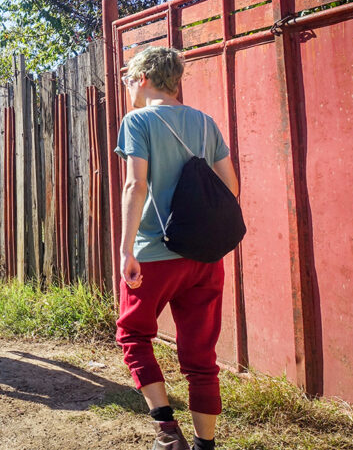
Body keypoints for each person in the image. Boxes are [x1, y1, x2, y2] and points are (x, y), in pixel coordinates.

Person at [113, 47, 240, 450]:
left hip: (154, 253)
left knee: (133, 334)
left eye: (129, 78)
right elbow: (230, 189)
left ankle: (168, 433)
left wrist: (125, 249)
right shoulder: (205, 122)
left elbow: (135, 185)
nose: (128, 86)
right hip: (205, 257)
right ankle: (205, 445)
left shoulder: (137, 121)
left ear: (144, 78)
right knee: (202, 356)